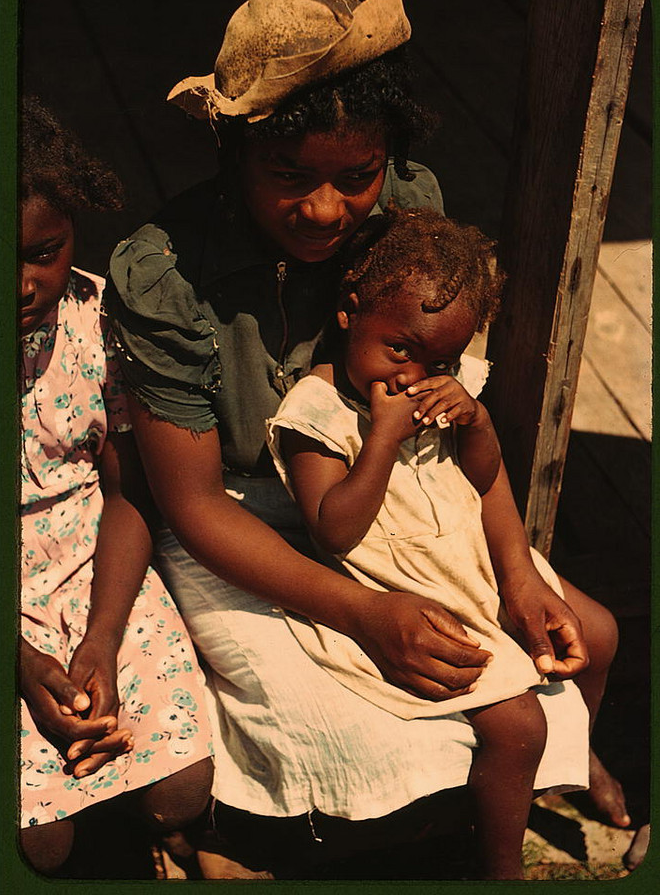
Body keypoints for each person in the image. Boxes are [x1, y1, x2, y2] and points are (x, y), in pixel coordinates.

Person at [105, 0, 627, 877]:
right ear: (234, 152)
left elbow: (456, 433)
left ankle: (559, 762)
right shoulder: (169, 273)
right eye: (287, 177)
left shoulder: (405, 224)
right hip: (245, 525)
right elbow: (192, 506)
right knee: (367, 745)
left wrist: (513, 572)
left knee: (578, 632)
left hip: (402, 499)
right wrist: (363, 614)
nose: (323, 210)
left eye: (356, 177)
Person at [267, 207, 622, 878]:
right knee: (517, 725)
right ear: (349, 311)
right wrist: (380, 441)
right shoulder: (316, 415)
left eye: (440, 359)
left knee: (599, 633)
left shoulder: (443, 387)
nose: (413, 376)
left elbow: (484, 480)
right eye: (400, 349)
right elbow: (334, 528)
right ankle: (498, 865)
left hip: (467, 557)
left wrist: (478, 422)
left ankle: (575, 759)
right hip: (398, 587)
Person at [19, 97, 214, 876]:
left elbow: (129, 494)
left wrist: (100, 638)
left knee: (180, 790)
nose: (22, 282)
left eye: (43, 251)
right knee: (39, 842)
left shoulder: (97, 321)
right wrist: (23, 662)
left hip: (95, 566)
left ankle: (158, 834)